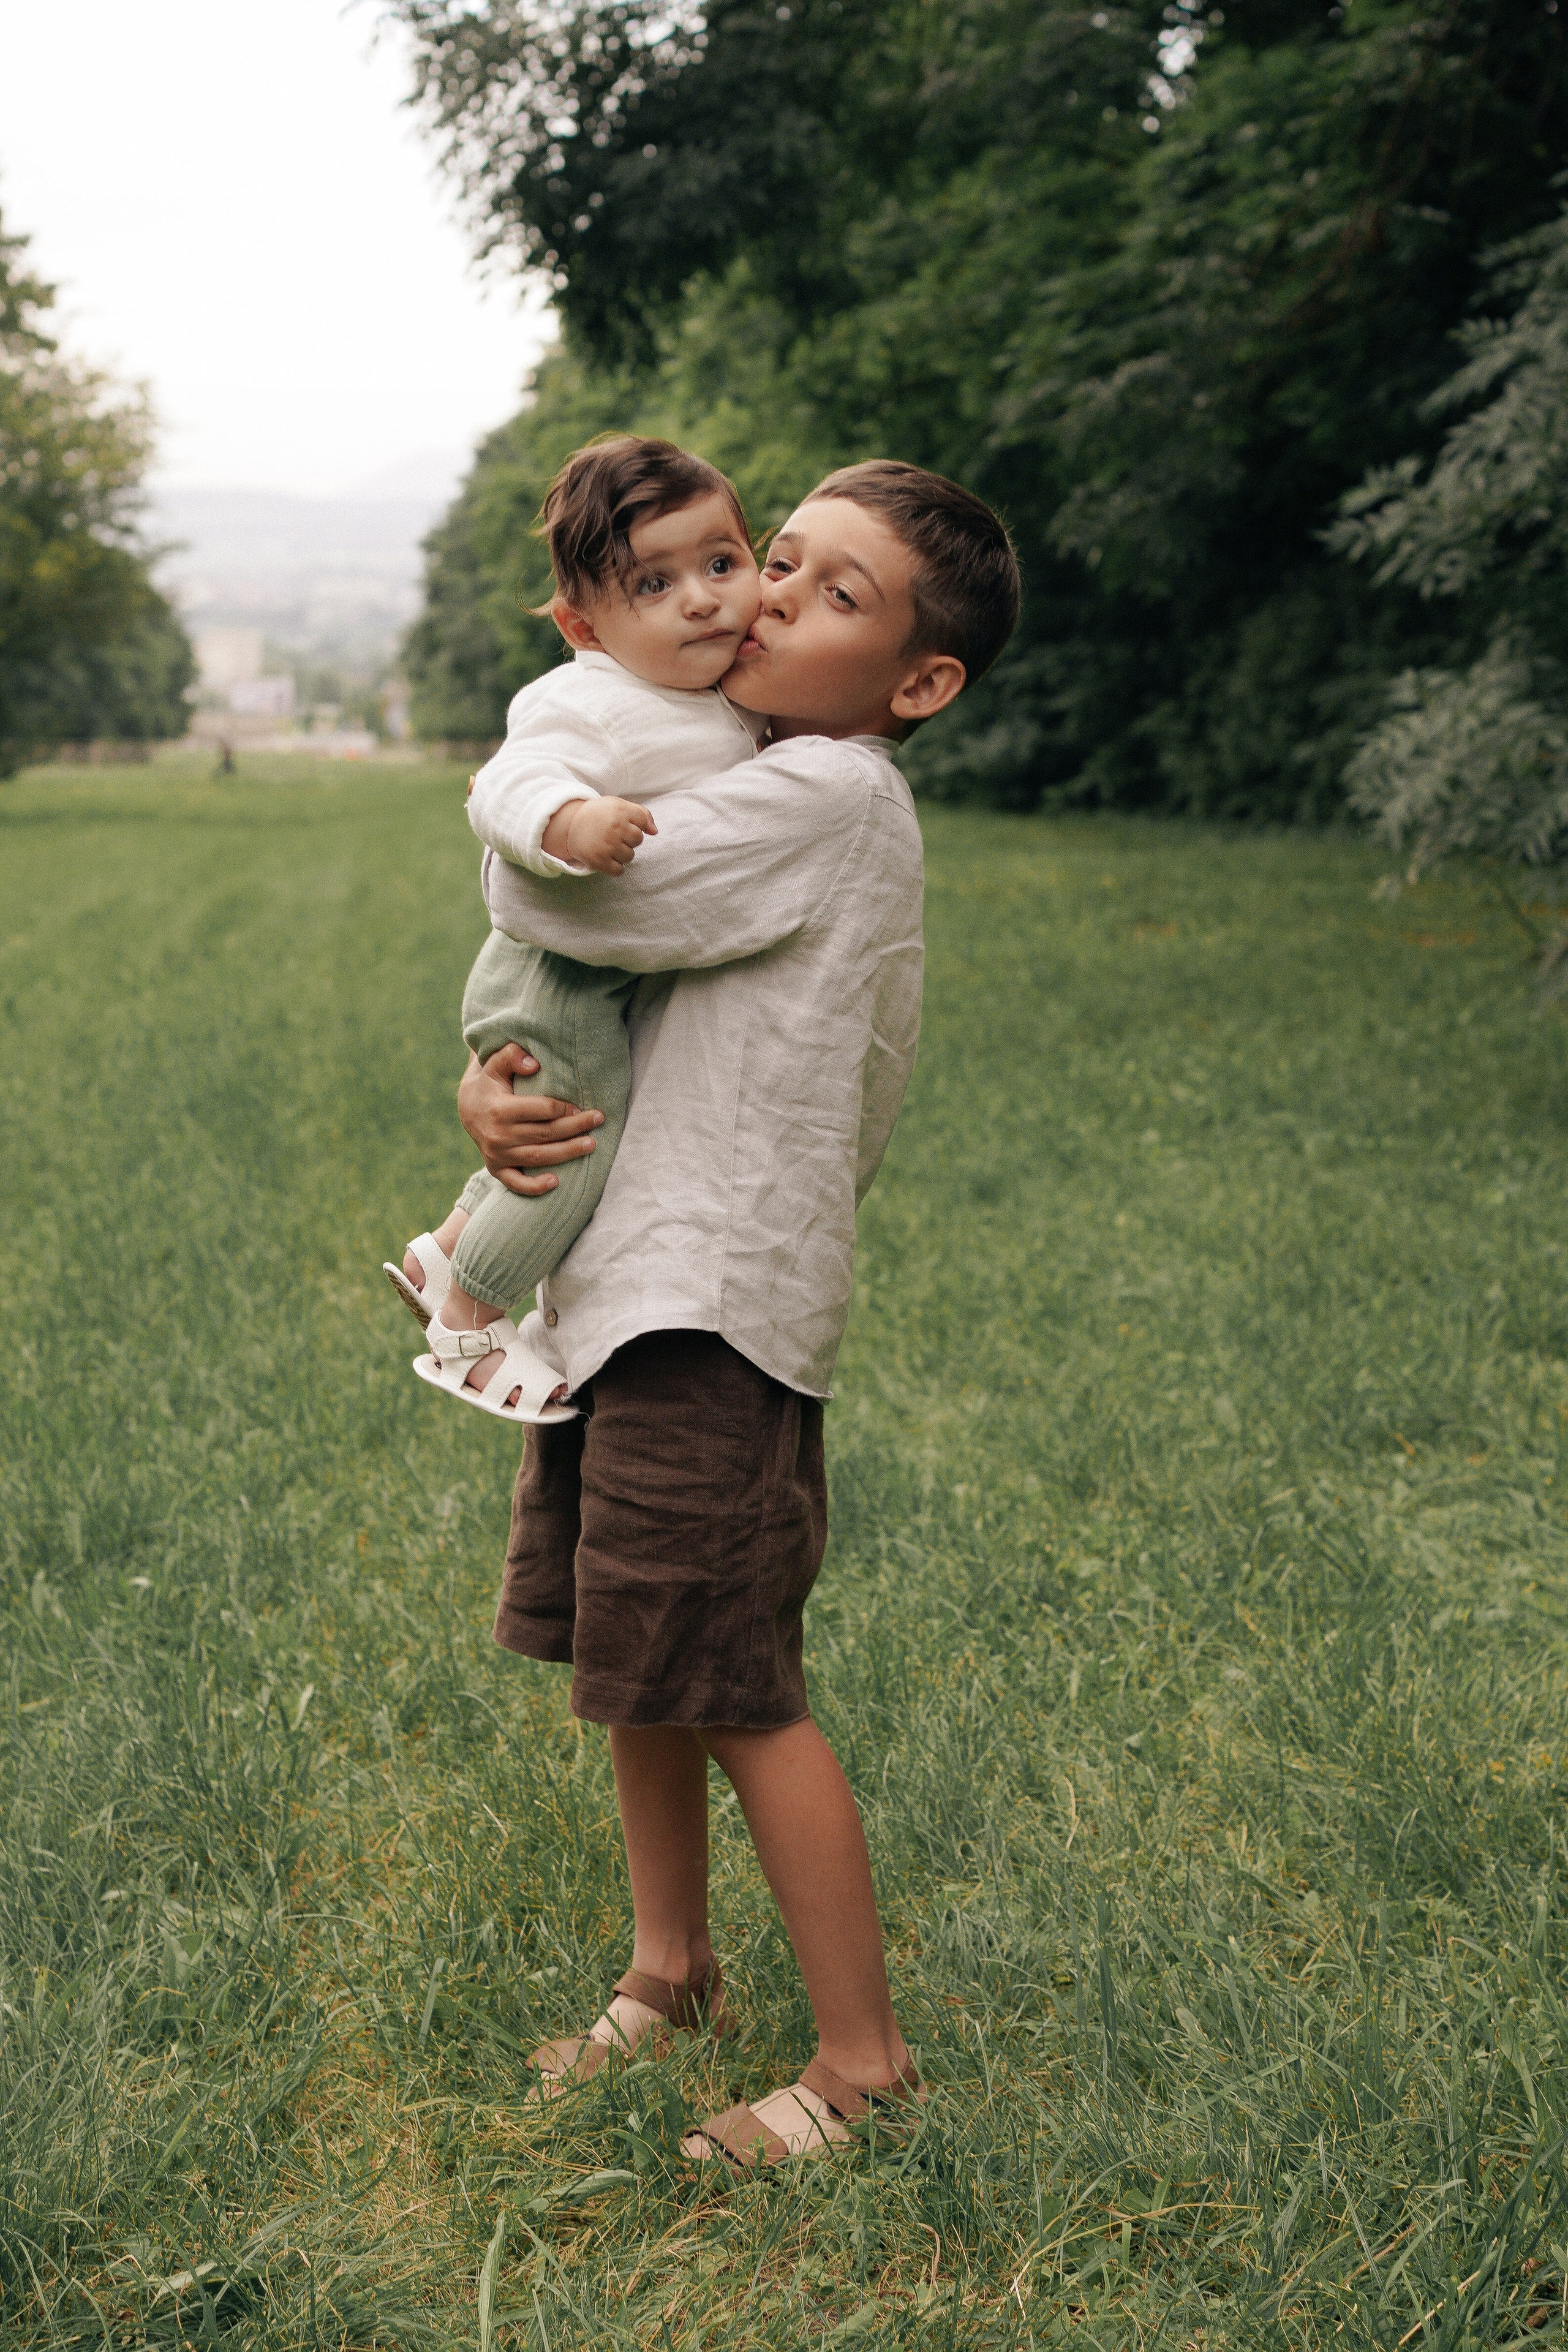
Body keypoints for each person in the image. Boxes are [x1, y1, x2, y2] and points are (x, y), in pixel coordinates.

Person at [461, 461, 1020, 2169]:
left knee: (736, 1680)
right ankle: (671, 1966)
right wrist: (497, 1097)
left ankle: (862, 2068)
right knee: (645, 1664)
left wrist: (546, 803)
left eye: (835, 594)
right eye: (777, 561)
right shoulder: (760, 766)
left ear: (918, 684)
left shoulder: (833, 794)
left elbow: (579, 901)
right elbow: (588, 1004)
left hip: (713, 1301)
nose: (769, 600)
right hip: (631, 1284)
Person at [383, 436, 765, 1422]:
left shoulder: (709, 695)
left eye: (723, 563)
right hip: (553, 976)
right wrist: (568, 823)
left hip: (572, 972)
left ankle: (444, 1247)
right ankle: (470, 1325)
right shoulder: (590, 698)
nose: (702, 599)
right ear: (582, 626)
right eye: (655, 584)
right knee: (573, 1146)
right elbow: (505, 784)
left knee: (550, 1127)